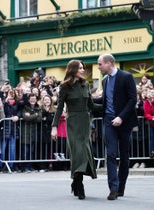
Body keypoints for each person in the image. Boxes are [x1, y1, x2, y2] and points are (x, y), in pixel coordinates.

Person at [51, 59, 102, 200]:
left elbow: (92, 105)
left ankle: (76, 181)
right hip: (72, 122)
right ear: (73, 69)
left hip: (85, 122)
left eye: (83, 68)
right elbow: (59, 107)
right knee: (77, 153)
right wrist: (54, 127)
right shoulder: (65, 87)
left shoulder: (86, 85)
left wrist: (108, 106)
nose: (82, 70)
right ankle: (79, 184)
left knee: (84, 152)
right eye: (80, 68)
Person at [96, 53, 138, 200]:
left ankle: (121, 187)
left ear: (109, 63)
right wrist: (87, 100)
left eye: (100, 64)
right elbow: (105, 99)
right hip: (108, 121)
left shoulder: (126, 77)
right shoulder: (105, 80)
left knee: (124, 156)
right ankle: (113, 188)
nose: (98, 67)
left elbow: (133, 99)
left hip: (125, 121)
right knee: (111, 154)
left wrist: (121, 117)